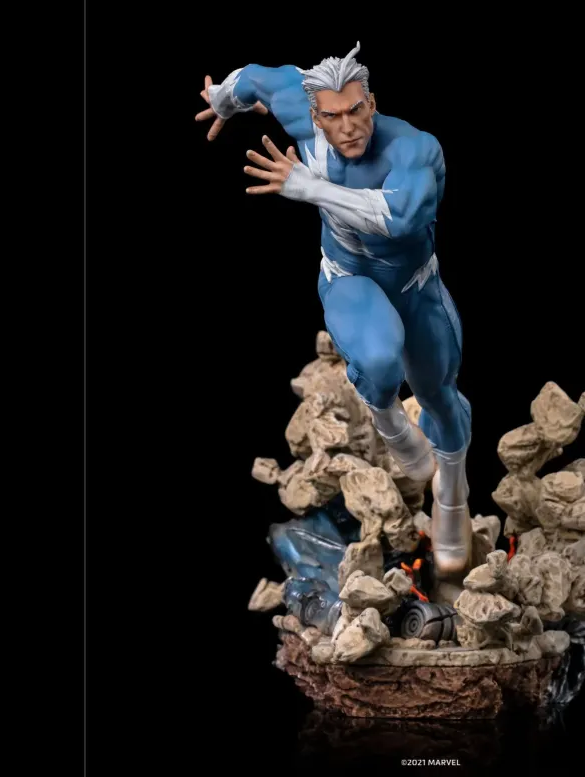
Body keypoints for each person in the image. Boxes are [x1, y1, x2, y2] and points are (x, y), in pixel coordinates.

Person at [195, 42, 473, 575]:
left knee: (441, 395)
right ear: (314, 116)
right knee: (379, 360)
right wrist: (224, 101)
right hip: (350, 277)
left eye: (356, 111)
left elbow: (399, 218)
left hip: (415, 283)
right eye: (333, 116)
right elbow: (251, 77)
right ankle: (390, 423)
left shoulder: (414, 149)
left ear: (372, 103)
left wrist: (310, 188)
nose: (347, 127)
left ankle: (452, 496)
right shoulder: (297, 102)